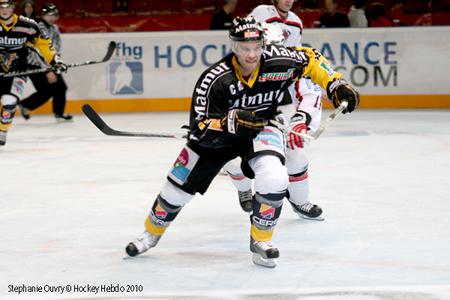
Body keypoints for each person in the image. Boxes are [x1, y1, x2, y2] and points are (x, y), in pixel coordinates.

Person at [125, 16, 359, 268]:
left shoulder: (278, 62)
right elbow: (199, 126)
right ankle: (151, 233)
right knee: (177, 190)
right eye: (245, 48)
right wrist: (228, 122)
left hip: (262, 128)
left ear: (263, 45)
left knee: (275, 177)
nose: (252, 54)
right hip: (217, 139)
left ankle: (261, 240)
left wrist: (336, 83)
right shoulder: (214, 79)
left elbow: (311, 59)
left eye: (257, 47)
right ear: (234, 46)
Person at [224, 0, 324, 220]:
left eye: (279, 47)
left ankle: (300, 202)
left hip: (280, 110)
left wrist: (301, 118)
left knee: (296, 156)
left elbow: (310, 91)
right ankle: (244, 191)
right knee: (232, 158)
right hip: (247, 119)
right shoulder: (232, 74)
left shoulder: (290, 65)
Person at [0, 0, 66, 146]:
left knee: (9, 103)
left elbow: (44, 44)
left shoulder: (28, 25)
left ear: (13, 8)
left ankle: (2, 130)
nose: (4, 10)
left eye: (8, 7)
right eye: (1, 7)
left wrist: (55, 61)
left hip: (18, 71)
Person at [19, 3, 72, 121]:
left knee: (61, 88)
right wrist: (47, 70)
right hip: (35, 65)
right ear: (43, 15)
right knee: (46, 91)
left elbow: (56, 47)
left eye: (54, 15)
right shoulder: (38, 27)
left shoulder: (54, 28)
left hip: (51, 65)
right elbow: (35, 51)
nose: (52, 18)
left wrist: (57, 62)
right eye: (49, 15)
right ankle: (25, 104)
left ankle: (59, 113)